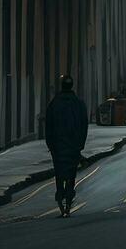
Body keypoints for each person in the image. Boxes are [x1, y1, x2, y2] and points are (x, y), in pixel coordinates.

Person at [44, 74, 89, 216]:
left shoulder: (54, 104)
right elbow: (84, 126)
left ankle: (60, 200)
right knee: (71, 175)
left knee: (59, 174)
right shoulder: (79, 104)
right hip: (73, 147)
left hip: (58, 148)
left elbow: (48, 126)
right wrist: (80, 145)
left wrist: (50, 145)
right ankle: (68, 203)